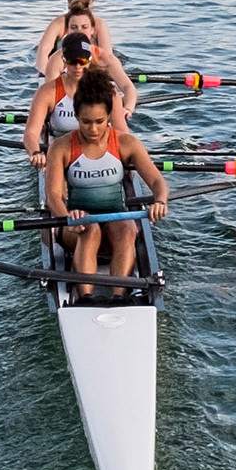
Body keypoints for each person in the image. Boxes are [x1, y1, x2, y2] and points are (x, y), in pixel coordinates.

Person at [44, 67, 169, 301]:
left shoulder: (126, 143)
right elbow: (52, 196)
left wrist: (160, 200)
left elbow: (156, 180)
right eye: (85, 122)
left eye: (100, 121)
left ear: (110, 115)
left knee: (128, 228)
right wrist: (68, 217)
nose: (93, 129)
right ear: (76, 115)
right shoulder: (60, 147)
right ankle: (85, 298)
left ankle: (119, 297)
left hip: (114, 221)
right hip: (75, 224)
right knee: (89, 229)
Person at [32, 0, 137, 117]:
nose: (86, 4)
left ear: (92, 30)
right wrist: (51, 73)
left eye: (88, 0)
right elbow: (43, 53)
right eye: (74, 28)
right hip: (61, 73)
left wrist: (128, 108)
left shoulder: (100, 28)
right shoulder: (58, 30)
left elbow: (114, 68)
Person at [22, 32, 130, 166]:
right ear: (63, 60)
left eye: (82, 61)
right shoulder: (48, 92)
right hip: (61, 151)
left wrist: (129, 155)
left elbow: (123, 132)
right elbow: (31, 132)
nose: (77, 67)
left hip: (98, 148)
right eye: (72, 61)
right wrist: (35, 152)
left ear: (90, 60)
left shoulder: (107, 91)